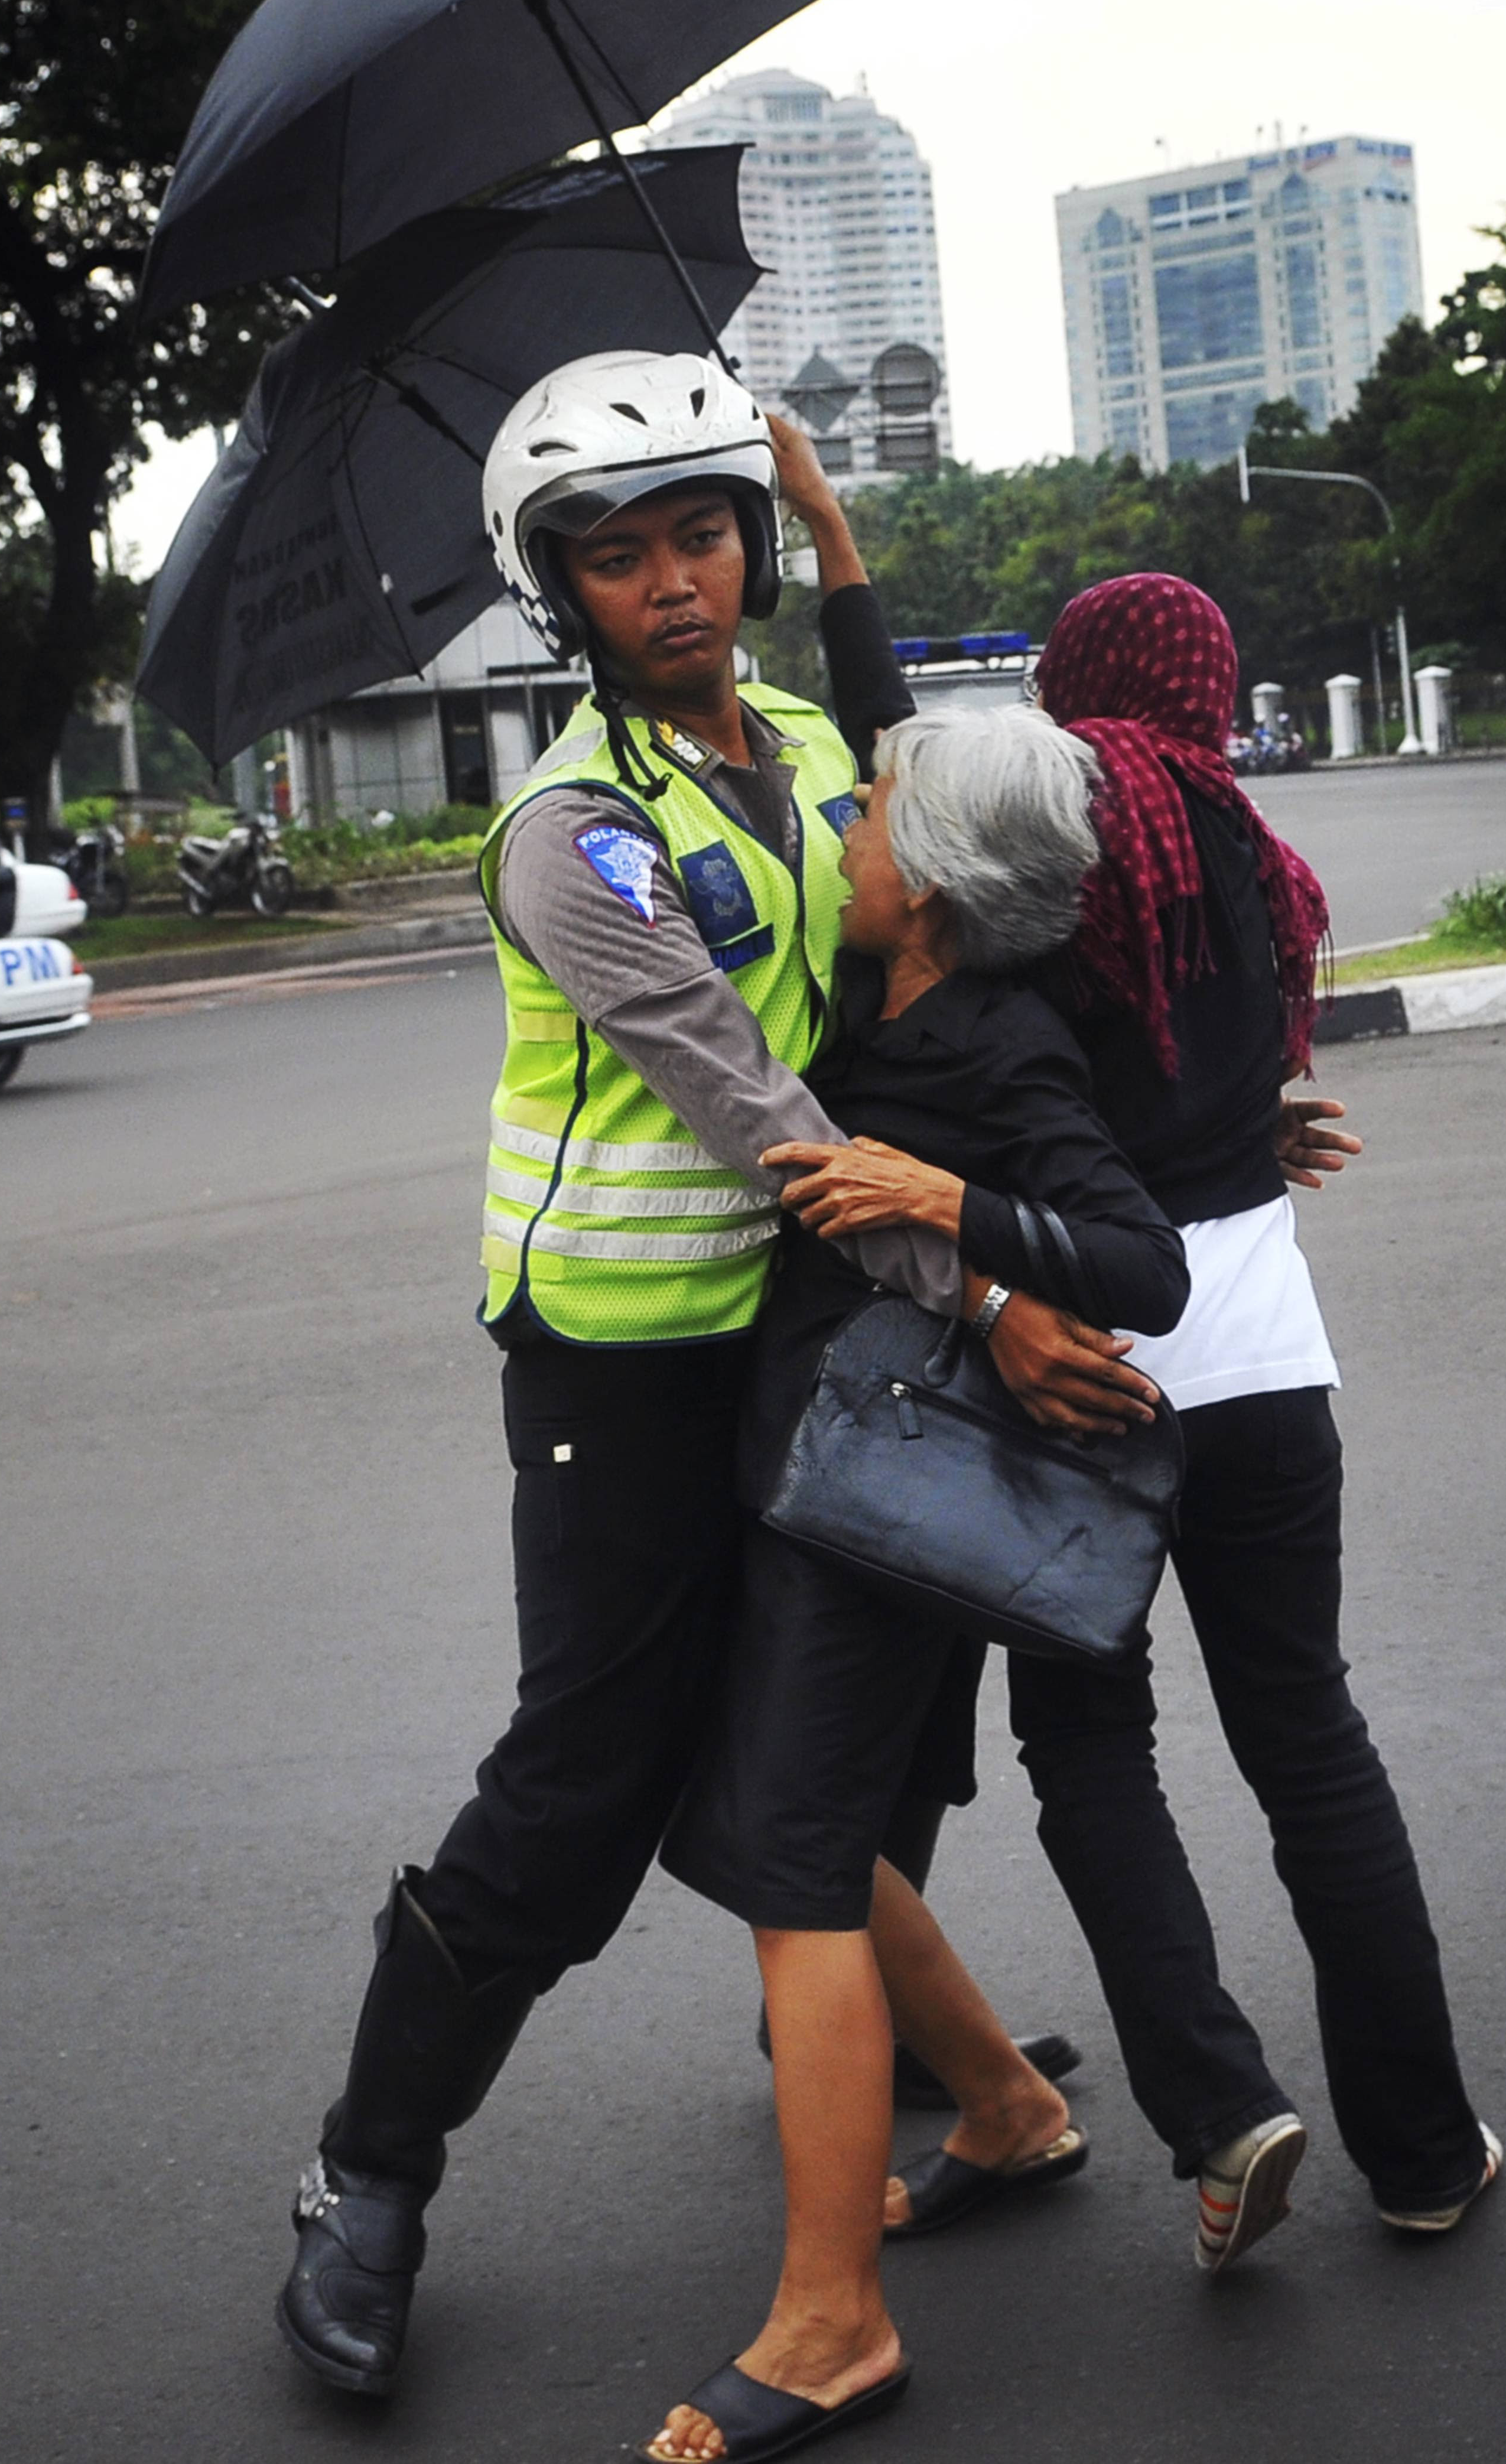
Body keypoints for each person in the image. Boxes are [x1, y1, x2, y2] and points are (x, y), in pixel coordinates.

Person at [274, 352, 1095, 2403]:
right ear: (558, 592)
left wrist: (836, 535)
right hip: (623, 1354)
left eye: (699, 533)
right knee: (582, 1788)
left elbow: (948, 858)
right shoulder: (572, 834)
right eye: (619, 554)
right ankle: (366, 2167)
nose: (672, 584)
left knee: (844, 1723)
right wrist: (997, 1293)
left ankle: (935, 2063)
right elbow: (760, 1113)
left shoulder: (810, 737)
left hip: (808, 1328)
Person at [776, 573, 1498, 2270]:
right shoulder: (1242, 855)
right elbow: (1208, 1089)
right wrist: (1259, 1126)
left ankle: (1222, 2106)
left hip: (1075, 1363)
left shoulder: (1066, 844)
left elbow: (924, 805)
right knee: (1306, 1742)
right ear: (1210, 681)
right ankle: (1419, 2153)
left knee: (1091, 1751)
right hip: (1258, 1355)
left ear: (1071, 683)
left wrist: (834, 558)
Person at [640, 704, 1180, 2464]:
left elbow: (1140, 1261)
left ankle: (832, 2324)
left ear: (932, 879)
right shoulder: (897, 985)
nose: (846, 824)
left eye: (869, 810)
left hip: (878, 1527)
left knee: (795, 1867)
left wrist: (953, 1203)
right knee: (793, 1829)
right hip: (819, 1475)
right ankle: (1009, 2106)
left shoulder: (1000, 1039)